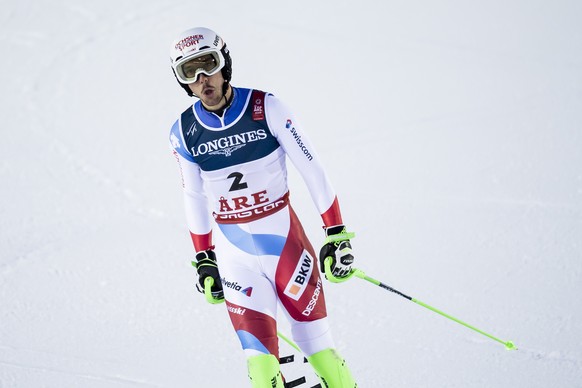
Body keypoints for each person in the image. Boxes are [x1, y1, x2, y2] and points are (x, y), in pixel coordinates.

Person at [168, 27, 357, 388]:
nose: (202, 79)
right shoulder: (183, 131)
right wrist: (204, 258)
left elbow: (312, 168)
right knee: (261, 370)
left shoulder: (266, 107)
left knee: (324, 357)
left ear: (226, 64)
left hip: (286, 244)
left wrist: (336, 233)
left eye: (208, 65)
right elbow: (193, 196)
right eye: (189, 72)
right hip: (234, 255)